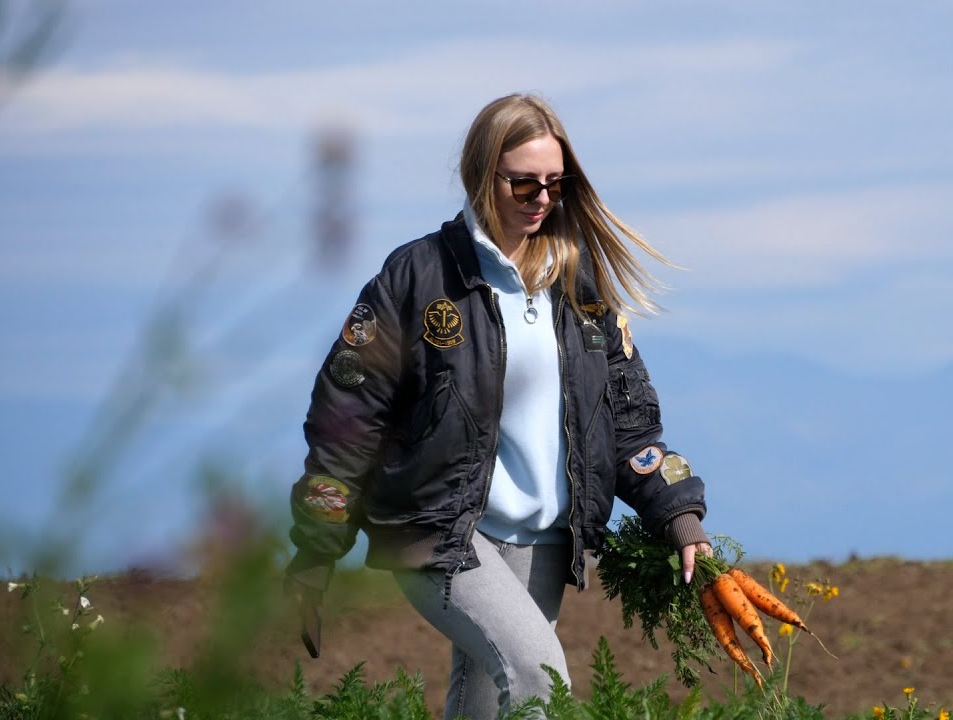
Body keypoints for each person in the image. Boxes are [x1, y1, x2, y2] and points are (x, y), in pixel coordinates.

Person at [284, 93, 712, 719]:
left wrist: (680, 516)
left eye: (555, 184)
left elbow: (629, 424)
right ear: (483, 176)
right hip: (441, 532)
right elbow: (347, 417)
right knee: (542, 679)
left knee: (485, 707)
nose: (542, 199)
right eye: (524, 184)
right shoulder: (416, 277)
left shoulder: (581, 289)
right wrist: (316, 550)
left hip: (544, 541)